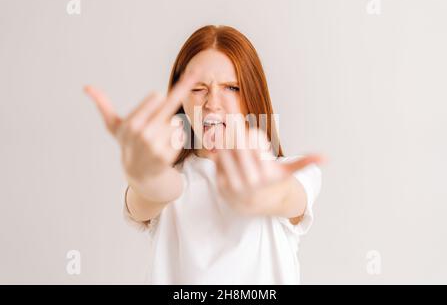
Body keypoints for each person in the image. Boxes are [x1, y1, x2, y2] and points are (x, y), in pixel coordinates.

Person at [85, 25, 323, 284]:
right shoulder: (171, 179)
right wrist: (147, 174)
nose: (213, 103)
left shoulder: (291, 173)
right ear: (181, 99)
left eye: (231, 88)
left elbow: (283, 194)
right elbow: (157, 191)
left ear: (253, 92)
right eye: (198, 88)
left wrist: (259, 190)